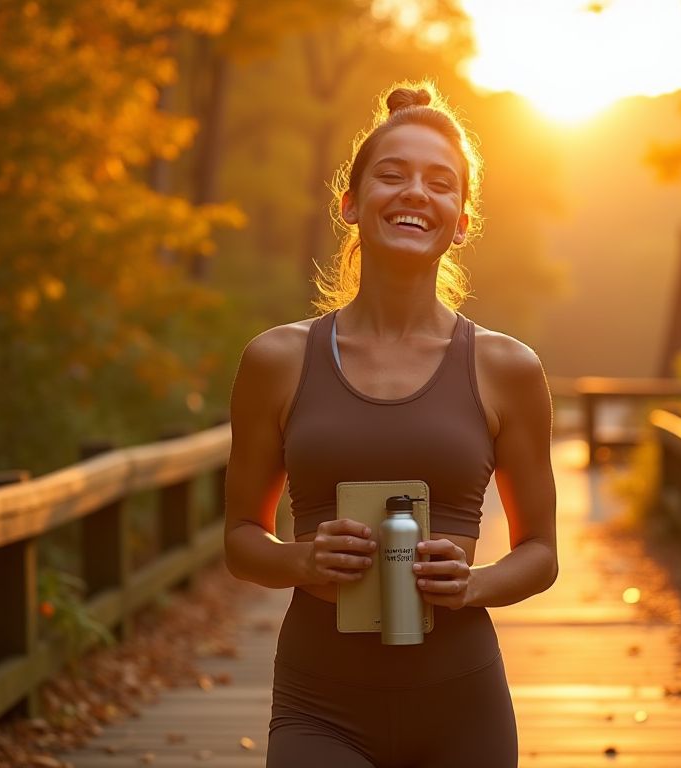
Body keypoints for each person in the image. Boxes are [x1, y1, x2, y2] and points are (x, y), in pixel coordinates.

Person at [223, 80, 558, 768]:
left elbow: (542, 553)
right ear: (350, 203)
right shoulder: (278, 360)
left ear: (462, 219)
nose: (415, 192)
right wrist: (299, 560)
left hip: (462, 705)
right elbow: (239, 540)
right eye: (392, 174)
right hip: (320, 707)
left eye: (441, 183)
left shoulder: (507, 368)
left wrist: (476, 582)